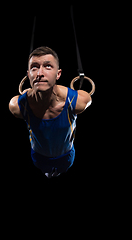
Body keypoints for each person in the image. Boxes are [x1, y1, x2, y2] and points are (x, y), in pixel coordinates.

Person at [9, 46, 92, 178]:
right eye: (34, 67)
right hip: (39, 158)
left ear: (58, 74)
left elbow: (87, 98)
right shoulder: (17, 106)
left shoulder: (77, 101)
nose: (39, 73)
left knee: (63, 170)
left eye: (47, 66)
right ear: (28, 75)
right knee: (45, 171)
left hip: (66, 156)